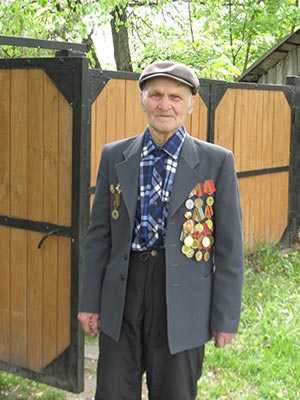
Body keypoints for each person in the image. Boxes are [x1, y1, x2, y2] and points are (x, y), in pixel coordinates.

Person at [78, 61, 244, 400]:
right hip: (122, 293)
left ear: (190, 104)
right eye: (155, 95)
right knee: (111, 391)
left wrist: (225, 317)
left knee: (174, 392)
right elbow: (98, 236)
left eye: (174, 96)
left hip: (183, 301)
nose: (164, 104)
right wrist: (89, 301)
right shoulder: (114, 156)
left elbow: (229, 248)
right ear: (142, 100)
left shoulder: (217, 162)